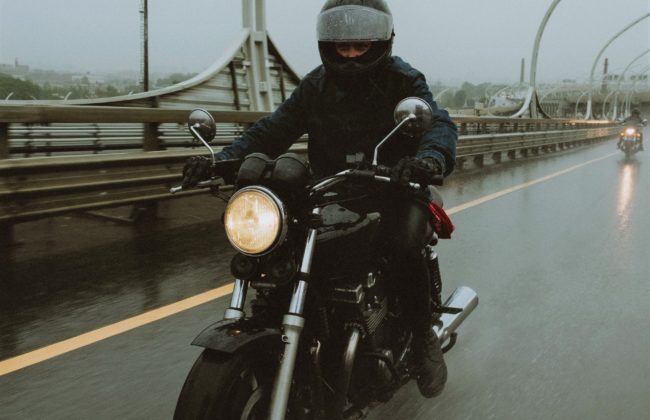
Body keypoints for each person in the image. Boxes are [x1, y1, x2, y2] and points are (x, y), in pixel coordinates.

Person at [182, 0, 457, 399]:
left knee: (402, 244)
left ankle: (421, 339)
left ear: (381, 42)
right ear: (326, 44)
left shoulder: (404, 81)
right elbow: (272, 130)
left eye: (360, 47)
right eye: (341, 47)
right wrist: (220, 160)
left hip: (394, 186)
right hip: (331, 190)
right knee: (281, 248)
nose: (349, 55)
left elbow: (439, 121)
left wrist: (428, 159)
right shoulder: (316, 86)